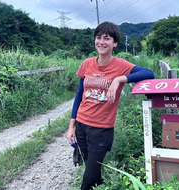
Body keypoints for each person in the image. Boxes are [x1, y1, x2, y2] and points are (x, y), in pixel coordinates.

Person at [66, 21, 154, 190]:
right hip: (82, 126)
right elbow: (79, 95)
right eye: (98, 37)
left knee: (89, 177)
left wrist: (119, 79)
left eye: (107, 38)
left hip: (101, 129)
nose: (101, 42)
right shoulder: (86, 64)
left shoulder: (121, 65)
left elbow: (149, 73)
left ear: (115, 43)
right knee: (92, 171)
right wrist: (72, 126)